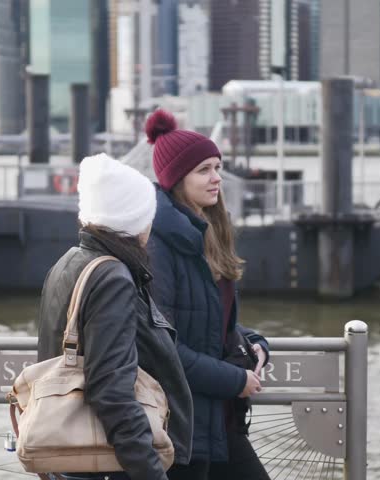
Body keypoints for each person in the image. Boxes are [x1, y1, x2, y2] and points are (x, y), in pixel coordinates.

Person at [36, 153, 194, 480]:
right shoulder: (114, 279)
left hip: (70, 451)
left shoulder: (70, 262)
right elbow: (111, 389)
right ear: (135, 221)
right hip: (107, 461)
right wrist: (151, 472)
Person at [145, 109, 272, 480]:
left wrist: (252, 341)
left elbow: (206, 320)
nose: (217, 178)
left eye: (217, 166)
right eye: (204, 170)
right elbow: (161, 345)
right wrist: (235, 381)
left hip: (216, 416)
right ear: (175, 180)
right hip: (181, 422)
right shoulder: (159, 244)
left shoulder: (206, 234)